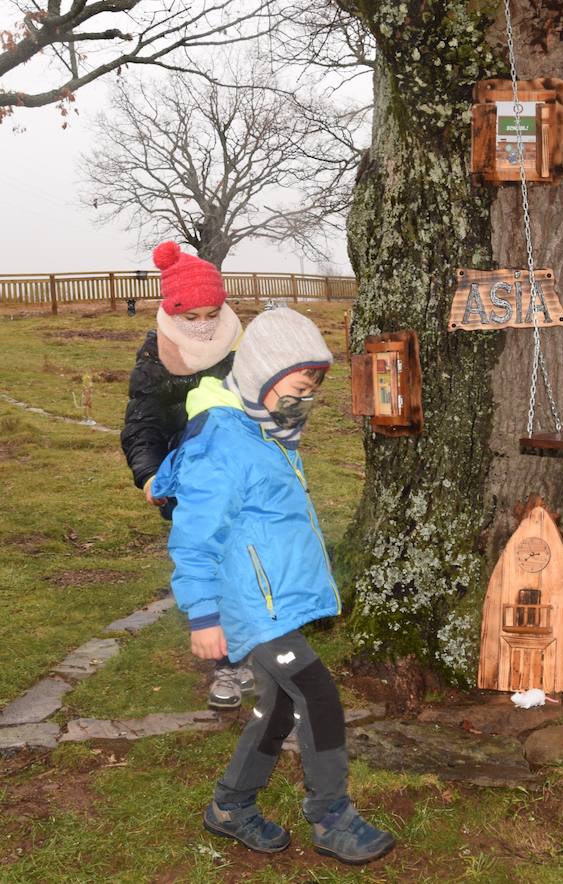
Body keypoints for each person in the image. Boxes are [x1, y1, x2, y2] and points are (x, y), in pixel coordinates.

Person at [150, 309, 396, 865]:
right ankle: (332, 816)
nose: (305, 399)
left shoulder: (266, 434)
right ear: (261, 372)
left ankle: (231, 806)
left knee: (281, 706)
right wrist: (204, 615)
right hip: (248, 605)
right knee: (318, 694)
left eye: (313, 389)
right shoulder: (224, 442)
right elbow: (194, 539)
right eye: (299, 386)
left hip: (272, 602)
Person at [120, 240, 252, 709]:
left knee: (245, 565)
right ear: (171, 314)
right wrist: (151, 475)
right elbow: (142, 424)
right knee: (209, 566)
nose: (203, 325)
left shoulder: (244, 350)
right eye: (190, 317)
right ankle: (228, 665)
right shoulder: (156, 358)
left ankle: (244, 654)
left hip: (245, 480)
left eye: (210, 314)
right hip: (189, 483)